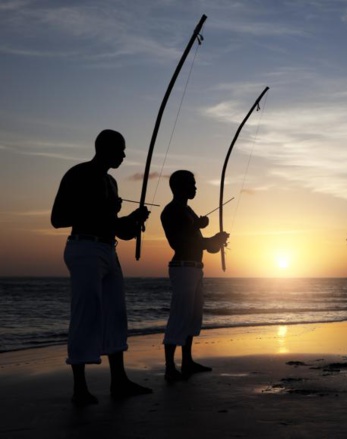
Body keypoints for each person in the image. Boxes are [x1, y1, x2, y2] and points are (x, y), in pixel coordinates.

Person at [51, 129, 153, 406]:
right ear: (103, 148)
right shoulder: (78, 174)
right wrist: (102, 209)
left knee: (116, 314)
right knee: (86, 314)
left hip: (109, 250)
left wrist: (133, 219)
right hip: (84, 249)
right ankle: (79, 388)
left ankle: (118, 381)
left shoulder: (111, 182)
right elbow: (57, 218)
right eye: (119, 149)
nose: (123, 155)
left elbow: (118, 230)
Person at [160, 170, 229, 382]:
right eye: (191, 183)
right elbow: (180, 242)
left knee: (192, 316)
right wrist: (199, 230)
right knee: (180, 315)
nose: (195, 187)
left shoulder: (187, 211)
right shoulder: (172, 211)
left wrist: (216, 241)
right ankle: (170, 367)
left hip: (195, 268)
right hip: (183, 268)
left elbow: (203, 246)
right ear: (179, 187)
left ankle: (187, 362)